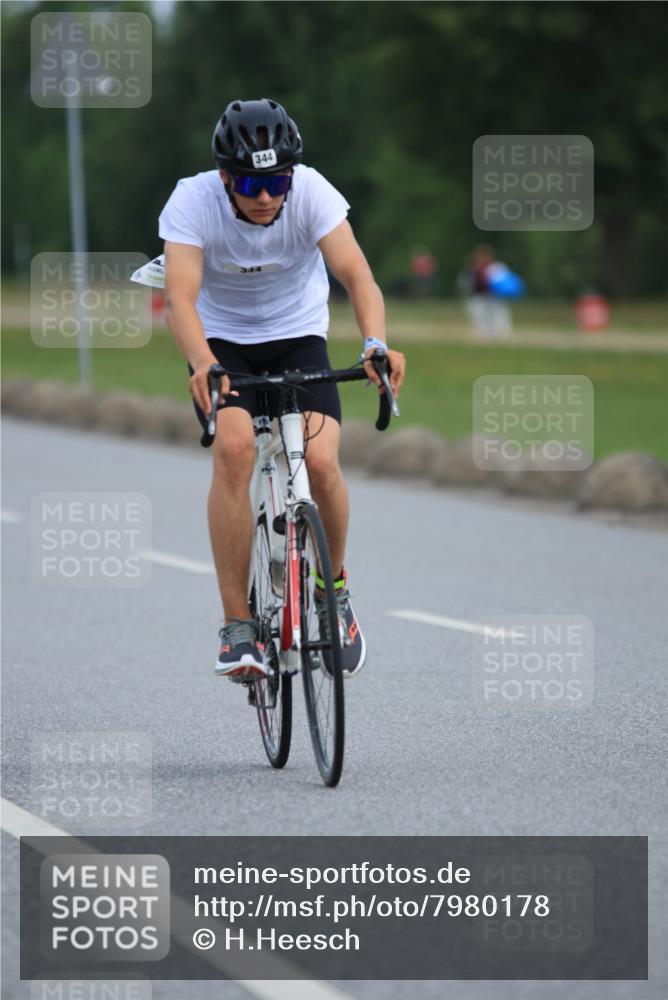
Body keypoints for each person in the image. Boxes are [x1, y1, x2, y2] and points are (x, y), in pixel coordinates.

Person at [158, 98, 405, 682]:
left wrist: (374, 343)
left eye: (277, 182)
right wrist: (201, 362)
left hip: (297, 334)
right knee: (235, 450)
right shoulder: (191, 201)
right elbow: (179, 299)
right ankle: (237, 625)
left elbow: (357, 275)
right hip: (223, 343)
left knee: (321, 462)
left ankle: (333, 592)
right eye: (248, 181)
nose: (265, 196)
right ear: (224, 177)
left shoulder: (313, 193)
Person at [458, 245, 513, 340]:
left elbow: (504, 282)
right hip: (478, 296)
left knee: (498, 315)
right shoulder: (474, 268)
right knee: (479, 316)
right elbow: (469, 283)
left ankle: (501, 334)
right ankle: (483, 335)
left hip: (494, 296)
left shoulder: (496, 267)